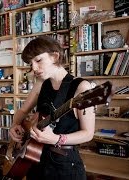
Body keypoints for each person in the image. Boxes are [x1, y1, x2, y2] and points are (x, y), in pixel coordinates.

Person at [9, 36, 95, 180]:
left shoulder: (81, 87)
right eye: (31, 63)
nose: (34, 68)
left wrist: (56, 139)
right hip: (35, 159)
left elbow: (88, 133)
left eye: (38, 60)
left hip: (64, 164)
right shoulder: (41, 84)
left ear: (55, 56)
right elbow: (23, 111)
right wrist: (15, 124)